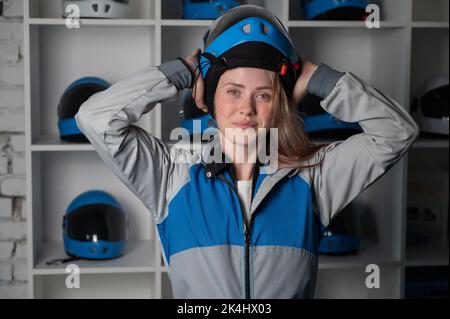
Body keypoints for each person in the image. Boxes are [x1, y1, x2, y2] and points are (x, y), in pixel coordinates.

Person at [75, 5, 419, 299]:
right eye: (233, 91)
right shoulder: (170, 173)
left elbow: (397, 132)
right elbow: (95, 118)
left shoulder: (314, 176)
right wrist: (182, 72)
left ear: (280, 104)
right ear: (208, 98)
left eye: (264, 95)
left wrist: (318, 78)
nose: (247, 109)